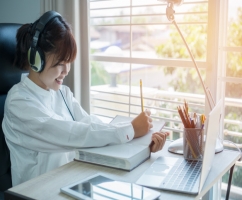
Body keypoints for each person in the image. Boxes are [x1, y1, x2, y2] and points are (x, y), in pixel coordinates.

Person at [2, 11, 169, 186]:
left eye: (69, 62)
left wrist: (142, 144)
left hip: (70, 184)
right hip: (38, 193)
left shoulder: (62, 93)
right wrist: (131, 130)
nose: (66, 71)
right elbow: (73, 134)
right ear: (36, 59)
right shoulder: (18, 103)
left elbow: (92, 126)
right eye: (60, 63)